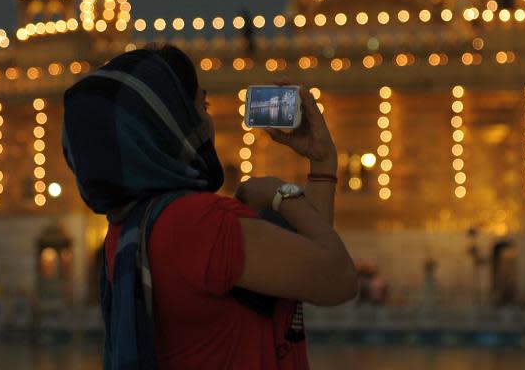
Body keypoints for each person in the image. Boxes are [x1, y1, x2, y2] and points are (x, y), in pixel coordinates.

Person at [62, 44, 357, 369]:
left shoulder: (129, 225)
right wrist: (281, 193)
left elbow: (308, 268)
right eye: (202, 106)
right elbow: (338, 278)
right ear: (170, 122)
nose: (209, 120)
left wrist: (322, 164)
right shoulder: (197, 222)